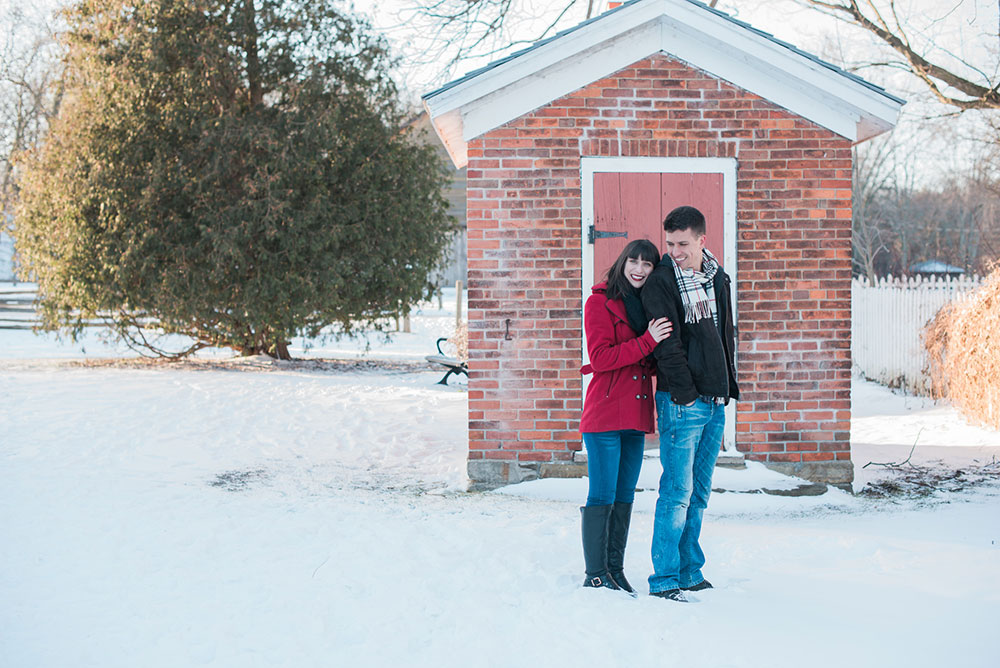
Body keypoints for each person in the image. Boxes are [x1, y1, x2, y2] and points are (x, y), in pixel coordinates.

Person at [640, 205, 739, 602]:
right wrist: (685, 393)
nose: (675, 251)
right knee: (676, 492)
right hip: (683, 401)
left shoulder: (719, 279)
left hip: (715, 401)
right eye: (670, 243)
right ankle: (664, 579)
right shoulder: (662, 283)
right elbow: (669, 347)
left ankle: (689, 570)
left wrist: (726, 388)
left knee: (699, 492)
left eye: (683, 243)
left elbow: (725, 337)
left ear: (702, 240)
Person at [579, 239, 673, 595]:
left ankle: (615, 569)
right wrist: (648, 341)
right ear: (622, 263)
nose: (639, 269)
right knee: (602, 494)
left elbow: (643, 360)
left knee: (625, 495)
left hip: (634, 413)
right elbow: (601, 358)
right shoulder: (599, 302)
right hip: (604, 414)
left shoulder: (646, 306)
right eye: (633, 261)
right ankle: (596, 573)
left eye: (647, 265)